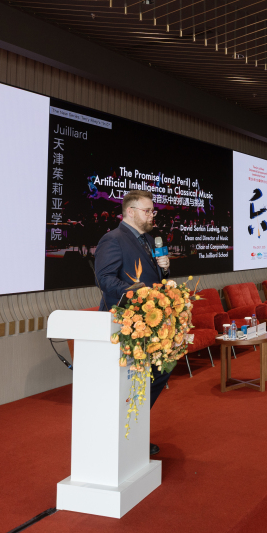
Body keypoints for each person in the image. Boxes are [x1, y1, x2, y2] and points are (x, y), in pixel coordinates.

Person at [94, 189, 171, 456]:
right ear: (130, 211)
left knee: (159, 370)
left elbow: (155, 276)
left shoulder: (149, 239)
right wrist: (138, 292)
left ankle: (132, 431)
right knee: (131, 381)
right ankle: (123, 437)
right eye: (147, 211)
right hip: (125, 321)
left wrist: (164, 268)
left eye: (153, 211)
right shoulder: (112, 239)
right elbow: (105, 279)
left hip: (149, 319)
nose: (152, 215)